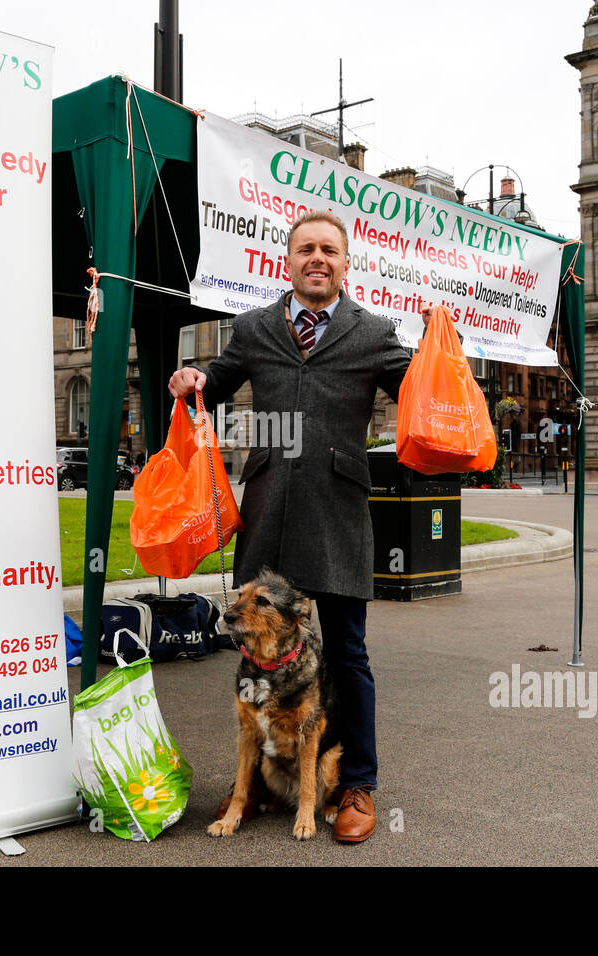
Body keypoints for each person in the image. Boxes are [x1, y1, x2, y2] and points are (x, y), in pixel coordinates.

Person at [168, 209, 410, 843]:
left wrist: (446, 361)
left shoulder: (374, 332)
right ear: (289, 261)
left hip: (336, 514)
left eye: (329, 250)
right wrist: (191, 378)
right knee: (255, 658)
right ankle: (248, 785)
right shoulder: (252, 329)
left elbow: (420, 388)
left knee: (349, 657)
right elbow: (212, 385)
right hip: (270, 512)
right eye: (306, 249)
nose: (318, 259)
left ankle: (357, 783)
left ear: (345, 263)